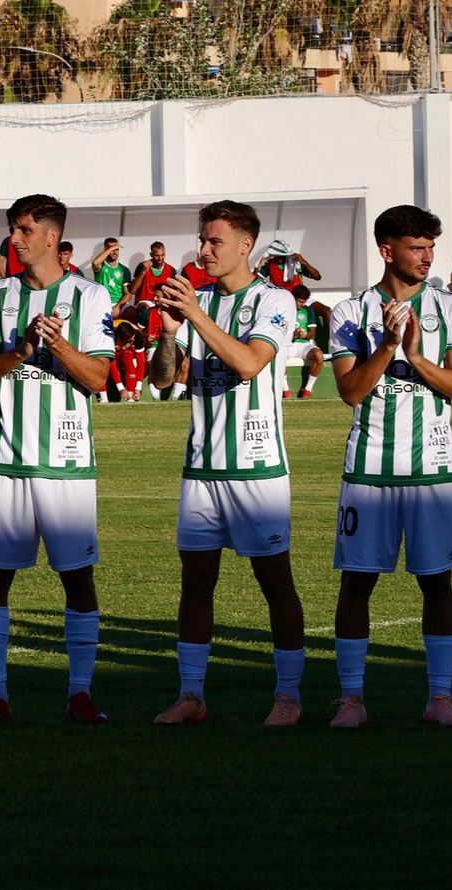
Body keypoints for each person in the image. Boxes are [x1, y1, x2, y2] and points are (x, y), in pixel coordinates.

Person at [148, 200, 307, 727]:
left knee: (274, 582)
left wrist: (194, 315)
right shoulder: (202, 300)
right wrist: (170, 334)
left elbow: (247, 363)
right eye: (202, 239)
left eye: (215, 240)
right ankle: (191, 695)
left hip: (257, 468)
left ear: (246, 245)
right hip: (201, 467)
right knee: (195, 581)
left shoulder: (275, 300)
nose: (204, 249)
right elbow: (164, 380)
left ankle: (288, 697)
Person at [0, 194, 114, 727]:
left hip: (67, 463)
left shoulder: (91, 296)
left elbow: (98, 379)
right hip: (5, 461)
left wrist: (60, 346)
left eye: (25, 229)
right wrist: (23, 351)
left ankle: (80, 693)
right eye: (12, 229)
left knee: (77, 578)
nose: (15, 238)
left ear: (52, 237)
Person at [326, 205, 452, 729]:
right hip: (368, 471)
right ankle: (351, 700)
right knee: (357, 584)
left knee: (437, 583)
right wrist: (388, 345)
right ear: (387, 251)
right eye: (417, 247)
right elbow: (349, 392)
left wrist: (413, 356)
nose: (428, 256)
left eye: (431, 246)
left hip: (432, 469)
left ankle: (439, 698)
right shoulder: (349, 313)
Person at [282, 284, 325, 400]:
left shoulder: (308, 311)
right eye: (300, 301)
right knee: (278, 355)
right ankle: (285, 390)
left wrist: (304, 334)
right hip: (288, 344)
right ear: (293, 298)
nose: (303, 304)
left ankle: (307, 390)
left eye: (304, 302)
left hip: (303, 344)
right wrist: (293, 334)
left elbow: (313, 333)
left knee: (318, 355)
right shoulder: (284, 310)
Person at [104, 322, 147, 403]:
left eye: (133, 337)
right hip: (114, 351)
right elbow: (112, 364)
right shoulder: (110, 336)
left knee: (128, 357)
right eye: (130, 339)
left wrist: (138, 388)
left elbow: (141, 363)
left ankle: (131, 396)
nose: (133, 340)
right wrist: (120, 388)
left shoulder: (137, 335)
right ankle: (103, 397)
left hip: (126, 352)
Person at [255, 239, 321, 290]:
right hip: (279, 298)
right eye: (277, 255)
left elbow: (317, 277)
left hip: (297, 298)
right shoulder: (271, 263)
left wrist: (304, 262)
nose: (279, 258)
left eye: (282, 256)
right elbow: (254, 281)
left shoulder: (295, 262)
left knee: (325, 308)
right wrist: (258, 267)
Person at [91, 239, 133, 311]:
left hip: (118, 303)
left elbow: (128, 294)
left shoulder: (124, 269)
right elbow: (95, 263)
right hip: (102, 303)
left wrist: (118, 306)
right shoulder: (101, 266)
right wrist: (110, 249)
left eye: (116, 249)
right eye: (112, 249)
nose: (114, 252)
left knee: (131, 311)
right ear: (105, 250)